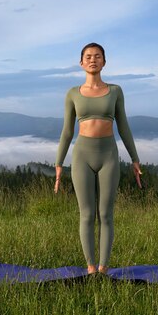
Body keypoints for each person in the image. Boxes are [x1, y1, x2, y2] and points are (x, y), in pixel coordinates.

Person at [54, 42, 142, 275]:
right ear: (81, 62)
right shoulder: (73, 93)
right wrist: (58, 163)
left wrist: (135, 159)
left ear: (104, 61)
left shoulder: (115, 91)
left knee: (105, 213)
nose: (93, 60)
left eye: (98, 56)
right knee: (86, 213)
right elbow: (66, 131)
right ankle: (90, 268)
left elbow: (123, 126)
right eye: (88, 56)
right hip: (82, 155)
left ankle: (103, 267)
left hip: (109, 155)